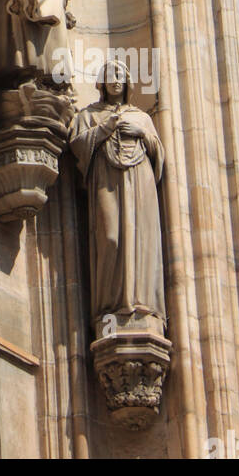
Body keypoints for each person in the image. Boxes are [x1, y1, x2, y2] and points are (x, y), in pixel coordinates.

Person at [69, 60, 166, 330]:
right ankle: (110, 308)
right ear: (101, 81)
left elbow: (158, 154)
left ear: (127, 83)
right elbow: (77, 146)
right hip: (106, 180)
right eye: (110, 75)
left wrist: (143, 134)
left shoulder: (141, 116)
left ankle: (142, 306)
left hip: (139, 181)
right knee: (111, 237)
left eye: (121, 75)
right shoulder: (88, 115)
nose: (115, 80)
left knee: (140, 240)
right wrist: (105, 128)